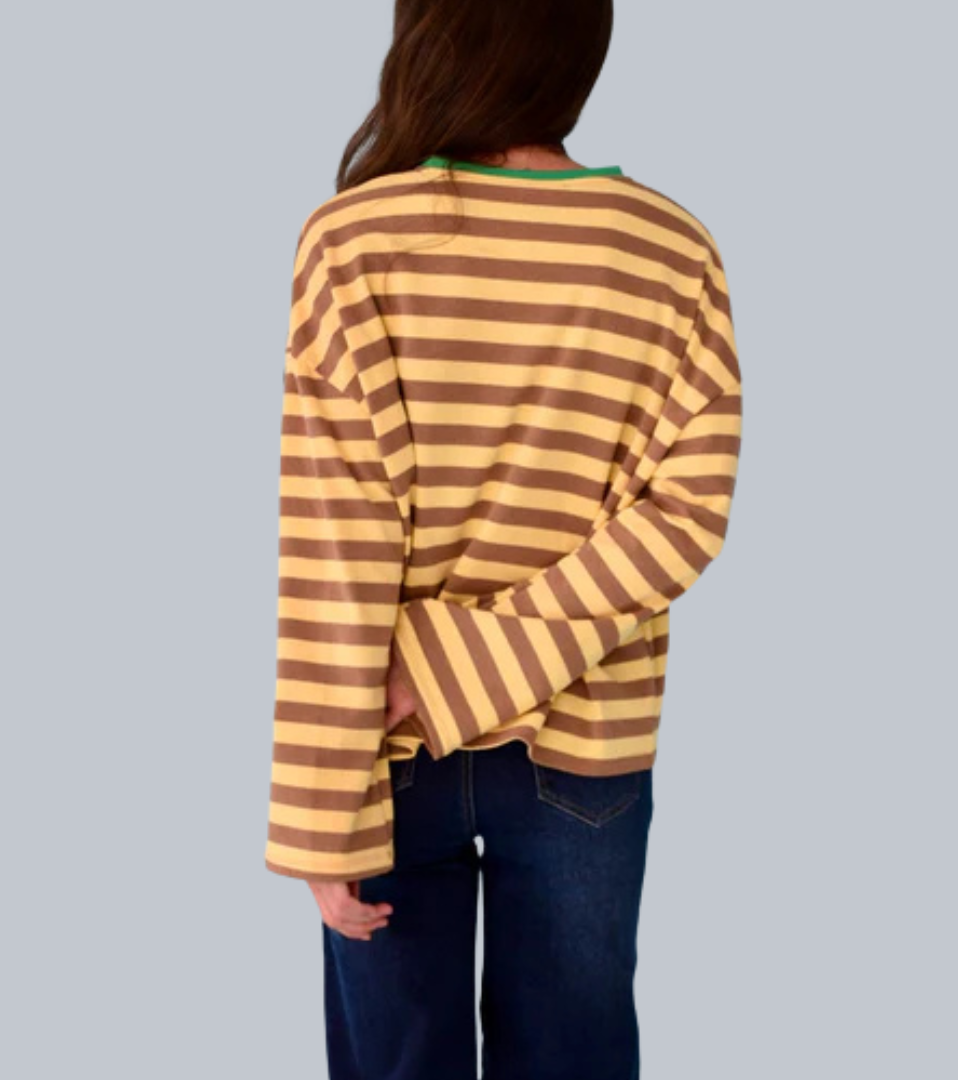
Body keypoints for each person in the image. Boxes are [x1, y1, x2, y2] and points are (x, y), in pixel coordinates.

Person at [264, 1, 743, 1076]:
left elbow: (334, 540)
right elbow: (684, 516)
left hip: (386, 730)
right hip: (587, 742)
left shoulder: (353, 238)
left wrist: (323, 802)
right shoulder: (672, 250)